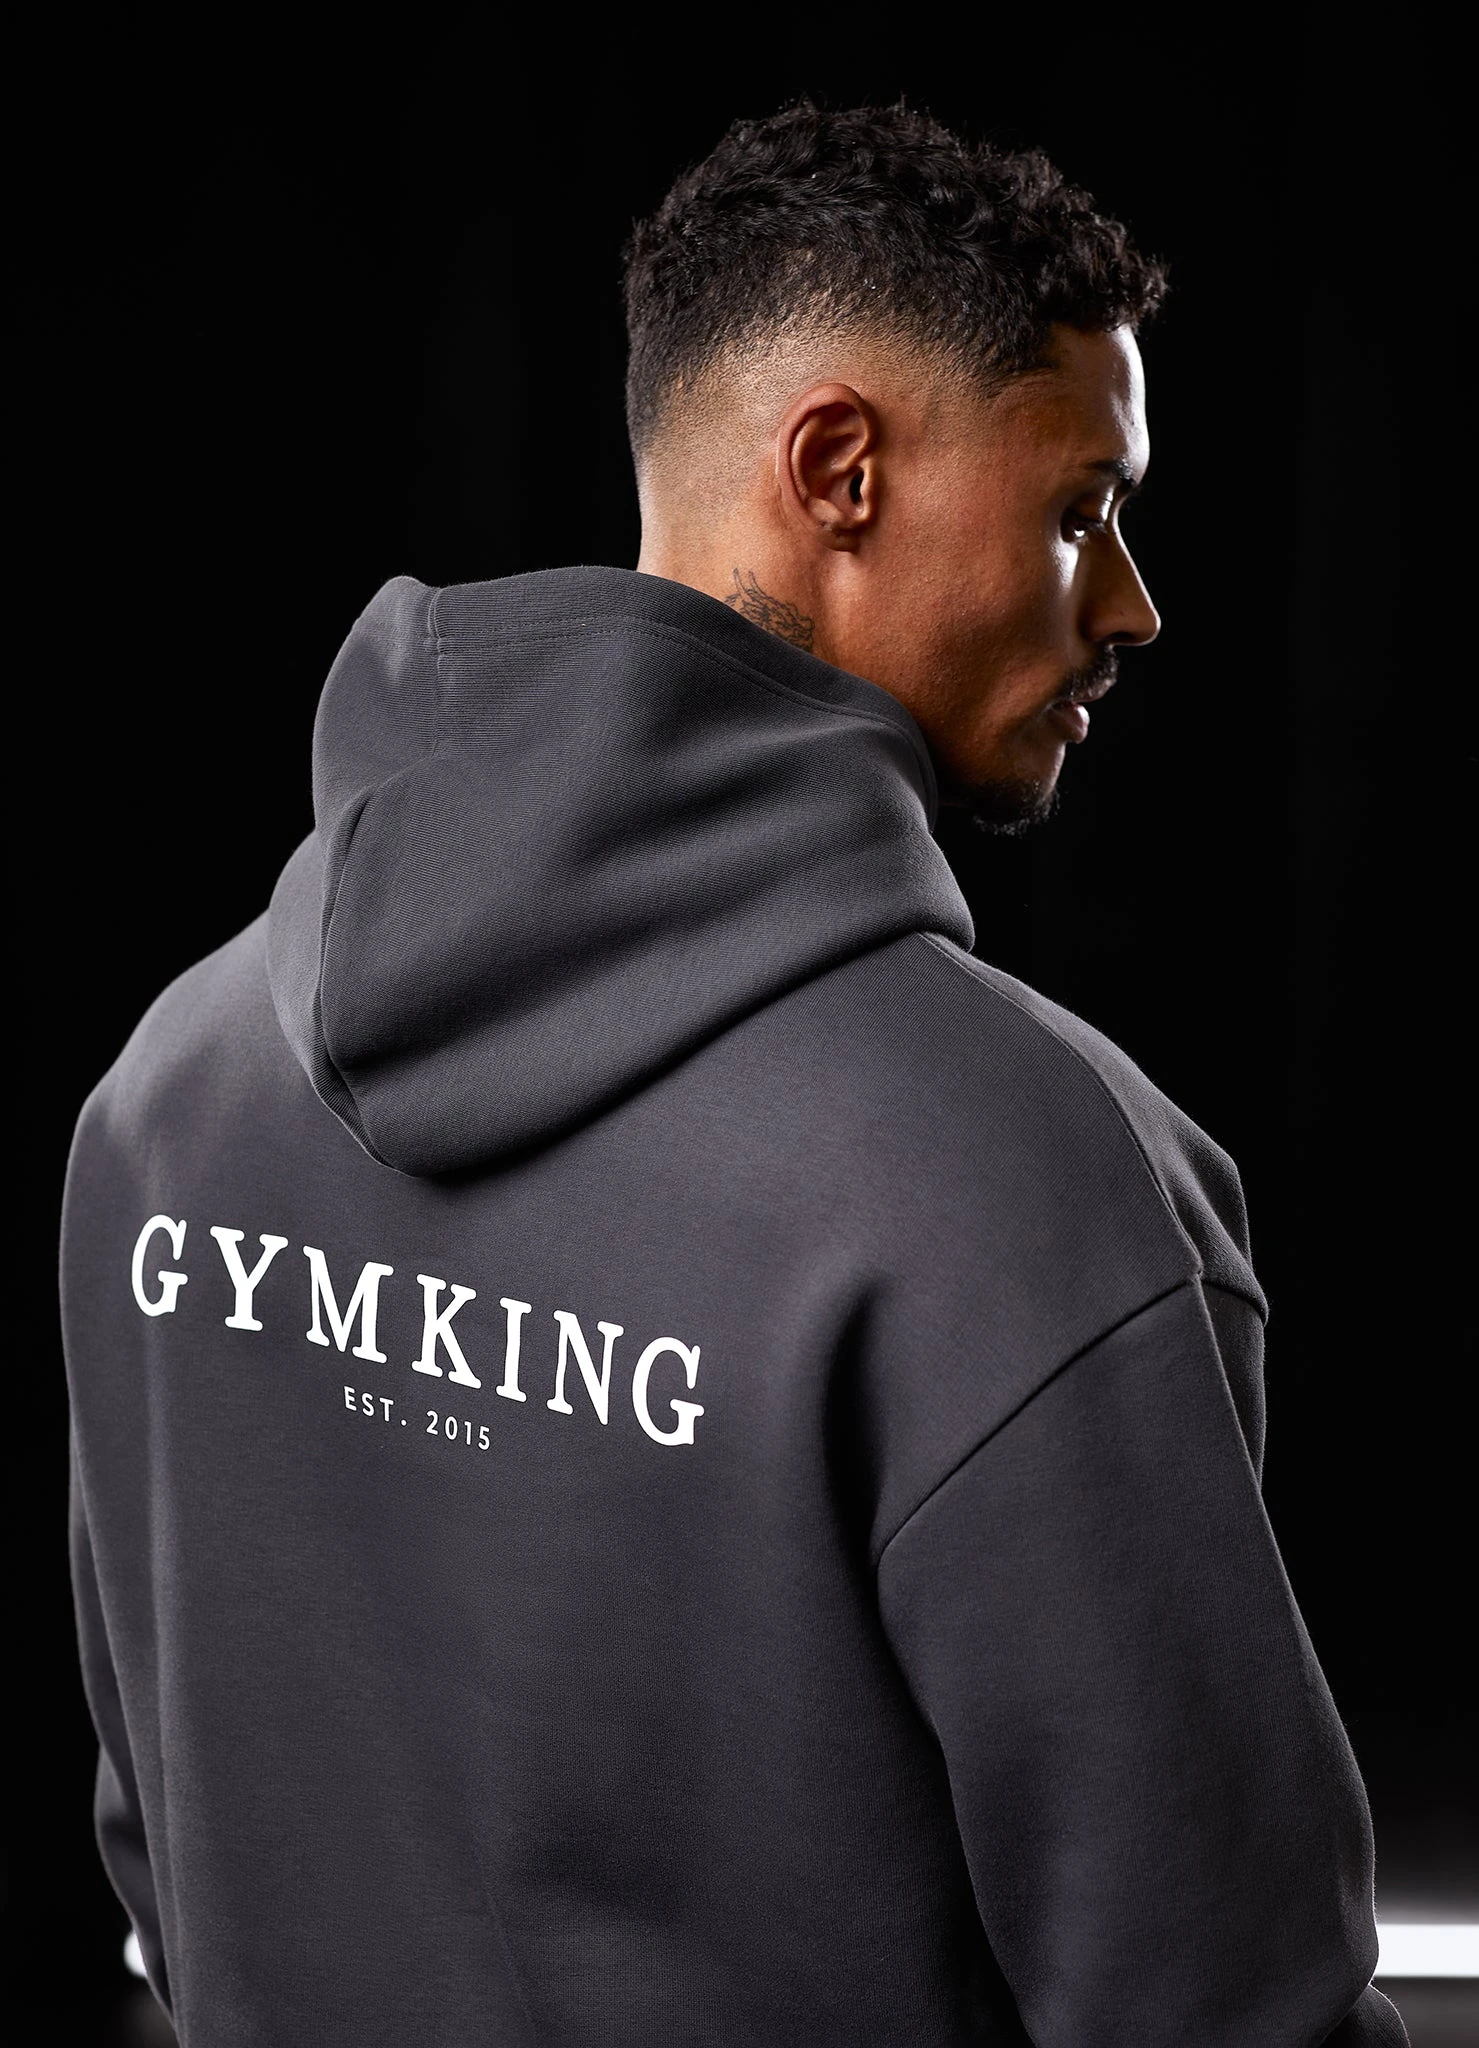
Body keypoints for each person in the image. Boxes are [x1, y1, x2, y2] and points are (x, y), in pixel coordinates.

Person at [61, 102, 1407, 2047]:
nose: (1128, 602)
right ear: (839, 468)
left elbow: (163, 1860)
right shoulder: (1030, 1192)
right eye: (1077, 509)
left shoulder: (168, 1095)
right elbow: (1218, 2007)